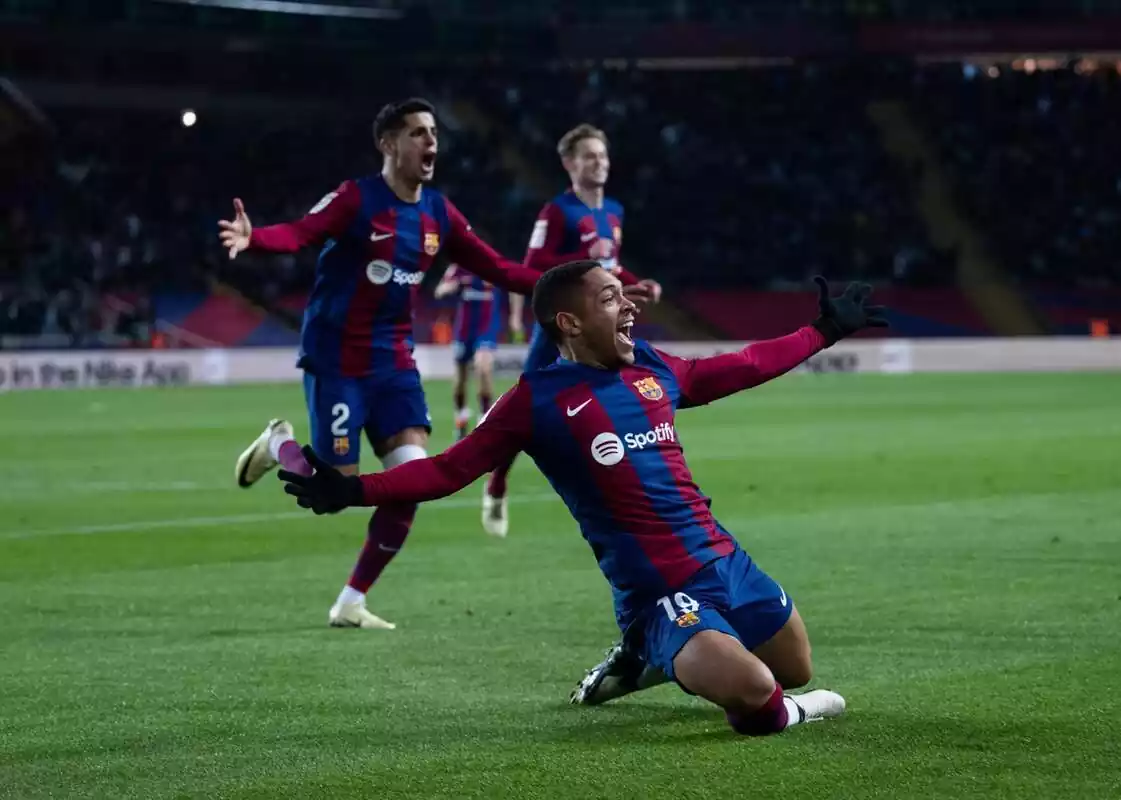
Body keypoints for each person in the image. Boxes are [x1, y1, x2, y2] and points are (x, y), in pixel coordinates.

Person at [276, 260, 888, 735]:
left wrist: (823, 331)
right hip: (658, 593)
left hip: (726, 561)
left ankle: (649, 664)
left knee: (795, 666)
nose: (629, 308)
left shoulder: (649, 365)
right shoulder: (534, 401)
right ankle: (773, 702)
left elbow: (740, 365)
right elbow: (447, 470)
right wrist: (353, 489)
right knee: (758, 693)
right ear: (568, 323)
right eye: (610, 299)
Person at [219, 98, 543, 630]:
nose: (430, 142)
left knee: (411, 483)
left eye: (433, 132)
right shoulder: (357, 199)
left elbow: (500, 268)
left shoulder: (439, 213)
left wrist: (572, 281)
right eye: (417, 133)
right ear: (388, 144)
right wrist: (256, 238)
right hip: (337, 360)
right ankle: (279, 443)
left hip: (393, 364)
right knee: (332, 493)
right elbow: (302, 232)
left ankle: (350, 600)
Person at [484, 124, 662, 537]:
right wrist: (584, 261)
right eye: (589, 156)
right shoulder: (557, 212)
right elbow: (532, 267)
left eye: (602, 155)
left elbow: (610, 265)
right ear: (569, 164)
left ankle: (627, 491)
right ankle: (497, 482)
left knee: (624, 398)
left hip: (601, 328)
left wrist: (638, 280)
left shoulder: (614, 210)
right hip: (561, 328)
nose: (598, 162)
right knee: (524, 404)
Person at [432, 264, 513, 442]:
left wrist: (514, 317)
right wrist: (450, 287)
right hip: (463, 331)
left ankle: (484, 420)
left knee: (483, 368)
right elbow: (439, 291)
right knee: (460, 379)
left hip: (487, 329)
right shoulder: (458, 269)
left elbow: (514, 285)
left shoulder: (493, 265)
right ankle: (461, 418)